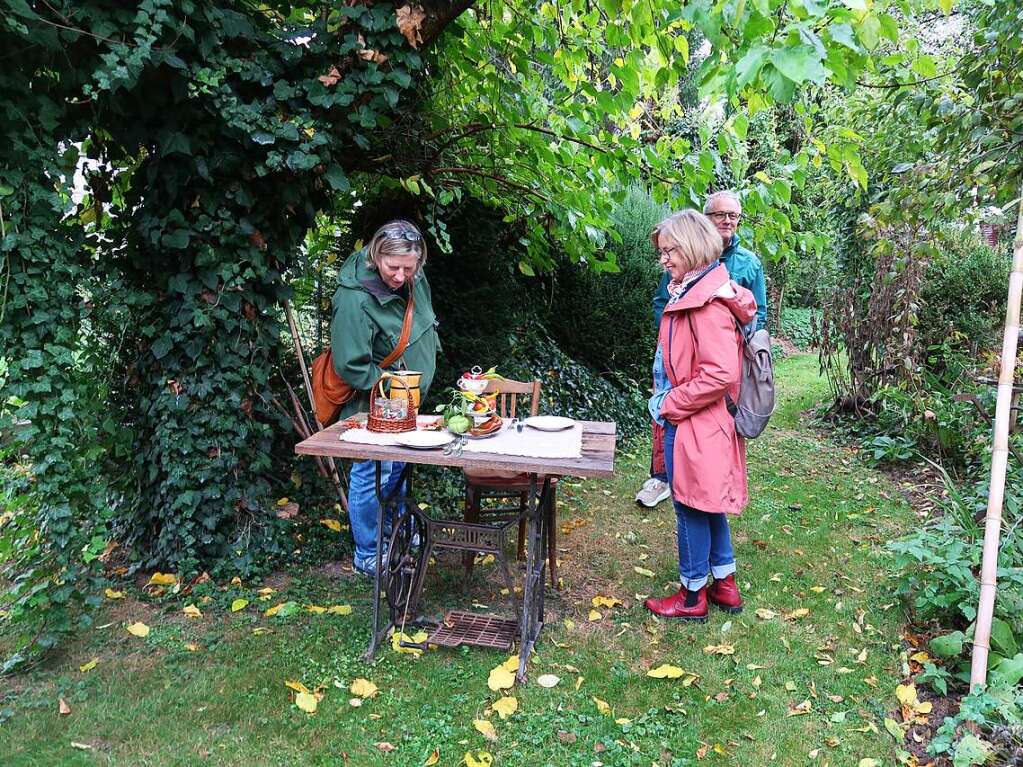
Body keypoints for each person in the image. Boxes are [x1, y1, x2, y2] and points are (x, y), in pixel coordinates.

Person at [643, 210, 756, 621]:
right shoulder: (692, 290)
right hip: (700, 421)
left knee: (689, 504)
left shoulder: (705, 301)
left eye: (668, 251)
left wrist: (669, 404)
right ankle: (725, 584)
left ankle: (692, 595)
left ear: (690, 246)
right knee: (708, 502)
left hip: (696, 420)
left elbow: (719, 374)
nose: (664, 260)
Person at [635, 189, 768, 508]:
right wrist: (673, 337)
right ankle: (662, 477)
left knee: (701, 482)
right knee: (674, 438)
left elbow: (756, 313)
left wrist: (745, 352)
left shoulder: (746, 263)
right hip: (684, 366)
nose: (727, 221)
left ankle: (687, 486)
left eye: (732, 215)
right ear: (705, 223)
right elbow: (664, 303)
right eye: (719, 215)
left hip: (709, 381)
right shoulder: (680, 268)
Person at [329, 220, 440, 576]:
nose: (401, 276)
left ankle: (398, 533)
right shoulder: (354, 298)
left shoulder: (413, 277)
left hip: (408, 405)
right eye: (394, 267)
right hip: (374, 405)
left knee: (400, 469)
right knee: (372, 474)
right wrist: (393, 387)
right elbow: (351, 364)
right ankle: (369, 553)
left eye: (410, 268)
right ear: (378, 256)